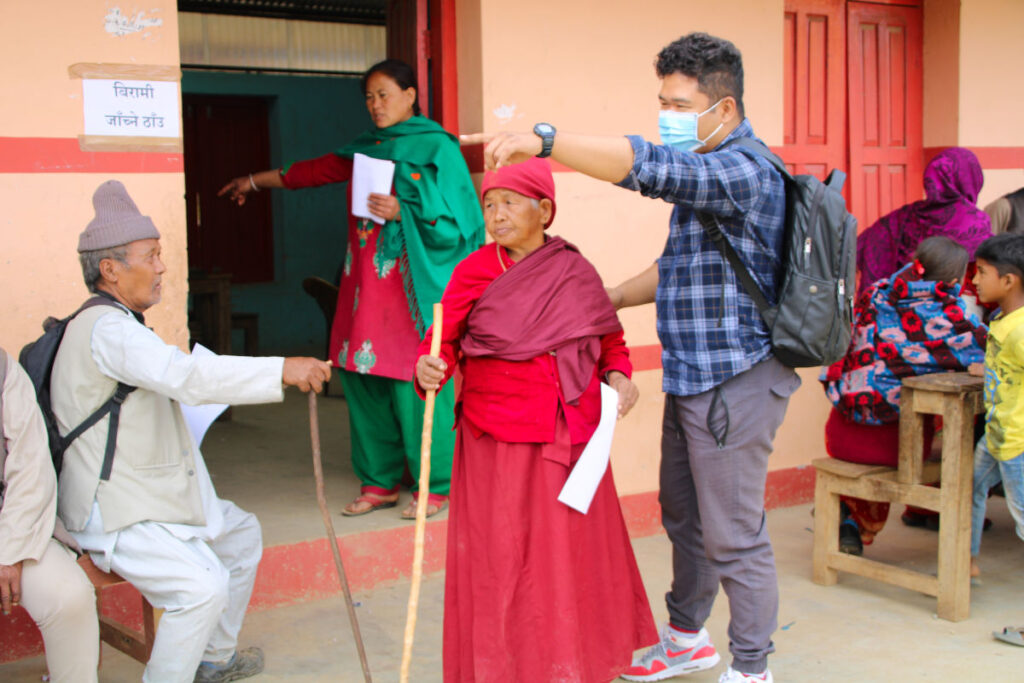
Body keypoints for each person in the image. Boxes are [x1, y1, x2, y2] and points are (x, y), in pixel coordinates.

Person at [464, 32, 799, 683]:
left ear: (723, 110)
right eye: (662, 101)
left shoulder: (743, 170)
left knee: (733, 531)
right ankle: (686, 638)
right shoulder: (708, 174)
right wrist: (604, 299)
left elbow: (655, 168)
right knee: (685, 514)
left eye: (679, 103)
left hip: (738, 380)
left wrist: (549, 141)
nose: (667, 115)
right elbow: (674, 269)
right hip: (694, 378)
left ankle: (753, 668)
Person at [52, 180, 331, 683]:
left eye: (160, 254)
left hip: (147, 494)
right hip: (113, 507)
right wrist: (279, 369)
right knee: (200, 589)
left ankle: (214, 661)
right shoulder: (107, 330)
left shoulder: (123, 325)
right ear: (110, 269)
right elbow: (186, 377)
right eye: (151, 256)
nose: (161, 266)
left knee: (240, 534)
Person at [414, 157, 657, 682]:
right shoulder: (474, 270)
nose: (496, 215)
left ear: (544, 210)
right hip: (493, 436)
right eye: (489, 205)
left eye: (509, 203)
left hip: (568, 435)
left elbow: (609, 340)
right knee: (503, 556)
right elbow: (443, 343)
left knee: (565, 555)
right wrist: (428, 366)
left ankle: (573, 662)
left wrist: (619, 376)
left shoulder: (573, 269)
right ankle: (505, 666)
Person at [220, 59, 484, 519]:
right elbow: (313, 171)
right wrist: (254, 182)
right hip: (365, 288)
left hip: (414, 291)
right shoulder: (367, 147)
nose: (376, 105)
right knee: (364, 379)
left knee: (415, 382)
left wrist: (407, 211)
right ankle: (379, 482)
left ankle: (434, 485)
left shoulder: (437, 148)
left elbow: (465, 224)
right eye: (369, 97)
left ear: (410, 96)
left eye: (384, 94)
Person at [819, 236, 987, 554]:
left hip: (839, 432)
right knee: (954, 438)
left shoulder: (875, 292)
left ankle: (852, 520)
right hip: (896, 450)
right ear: (955, 280)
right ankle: (958, 540)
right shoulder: (947, 314)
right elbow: (992, 348)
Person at [1, 348, 99, 682]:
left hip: (10, 524)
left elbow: (30, 466)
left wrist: (9, 553)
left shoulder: (4, 372)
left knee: (67, 596)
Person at [856, 147, 992, 298]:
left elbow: (861, 245)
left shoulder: (905, 215)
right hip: (956, 307)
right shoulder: (976, 221)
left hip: (901, 305)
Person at [967, 234, 1024, 588]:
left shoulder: (1020, 331)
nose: (973, 280)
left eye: (982, 272)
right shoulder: (1003, 320)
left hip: (1017, 442)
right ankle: (968, 559)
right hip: (996, 435)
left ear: (1008, 280)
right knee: (969, 487)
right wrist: (987, 370)